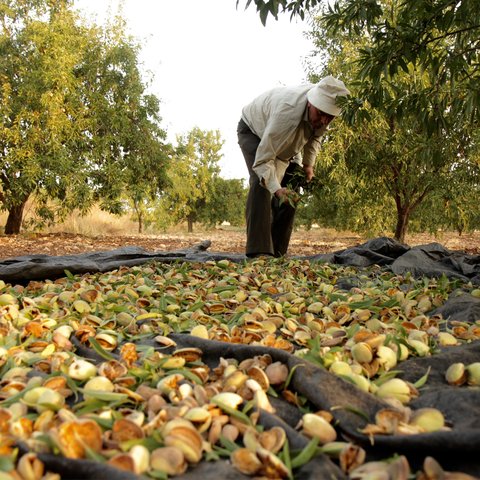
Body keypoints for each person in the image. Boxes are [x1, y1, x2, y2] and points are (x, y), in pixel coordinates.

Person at [237, 75, 350, 258]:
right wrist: (276, 188)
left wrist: (308, 165)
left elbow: (315, 137)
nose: (323, 120)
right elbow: (263, 160)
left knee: (291, 192)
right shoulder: (286, 113)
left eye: (328, 117)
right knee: (262, 184)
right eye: (320, 114)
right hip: (255, 132)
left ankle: (278, 253)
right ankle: (259, 253)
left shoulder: (324, 112)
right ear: (310, 104)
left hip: (287, 145)